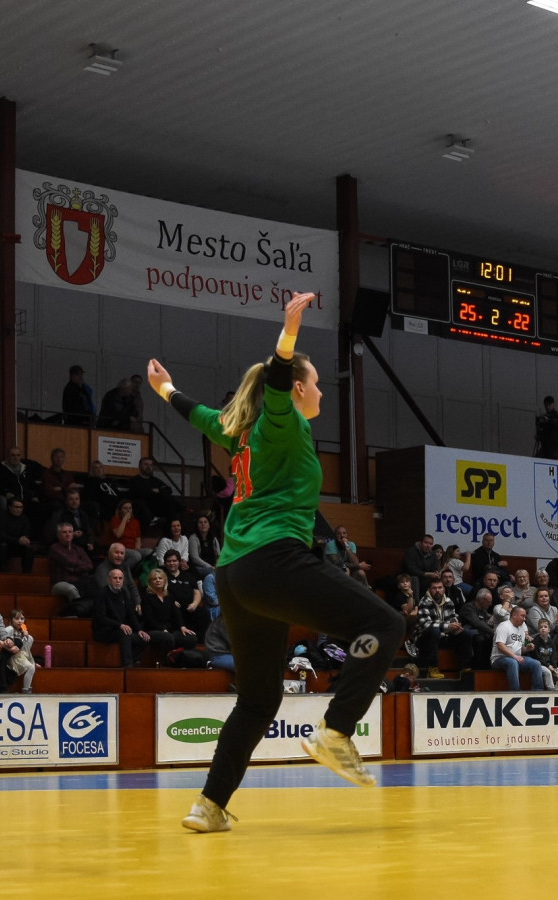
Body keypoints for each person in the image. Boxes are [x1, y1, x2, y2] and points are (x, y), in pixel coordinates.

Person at [147, 292, 403, 832]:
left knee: (258, 698)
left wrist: (165, 389)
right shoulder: (281, 422)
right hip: (273, 560)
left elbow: (197, 414)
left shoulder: (237, 431)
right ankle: (336, 730)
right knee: (384, 624)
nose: (320, 392)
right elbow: (278, 378)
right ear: (299, 388)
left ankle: (208, 806)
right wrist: (289, 332)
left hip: (235, 576)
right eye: (317, 384)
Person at [91, 568, 148, 667]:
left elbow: (131, 614)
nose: (118, 581)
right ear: (109, 580)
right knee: (124, 633)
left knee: (143, 638)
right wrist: (119, 625)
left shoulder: (124, 592)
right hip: (104, 630)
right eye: (115, 578)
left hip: (119, 629)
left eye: (120, 578)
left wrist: (139, 630)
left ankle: (135, 661)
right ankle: (127, 665)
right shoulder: (101, 594)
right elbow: (101, 618)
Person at [490, 605, 543, 690]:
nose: (524, 619)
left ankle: (537, 690)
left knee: (536, 664)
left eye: (525, 617)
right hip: (499, 658)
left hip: (516, 658)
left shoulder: (521, 629)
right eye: (523, 616)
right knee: (513, 662)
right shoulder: (504, 626)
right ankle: (515, 692)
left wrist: (527, 648)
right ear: (514, 615)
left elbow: (520, 650)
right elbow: (500, 645)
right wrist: (515, 656)